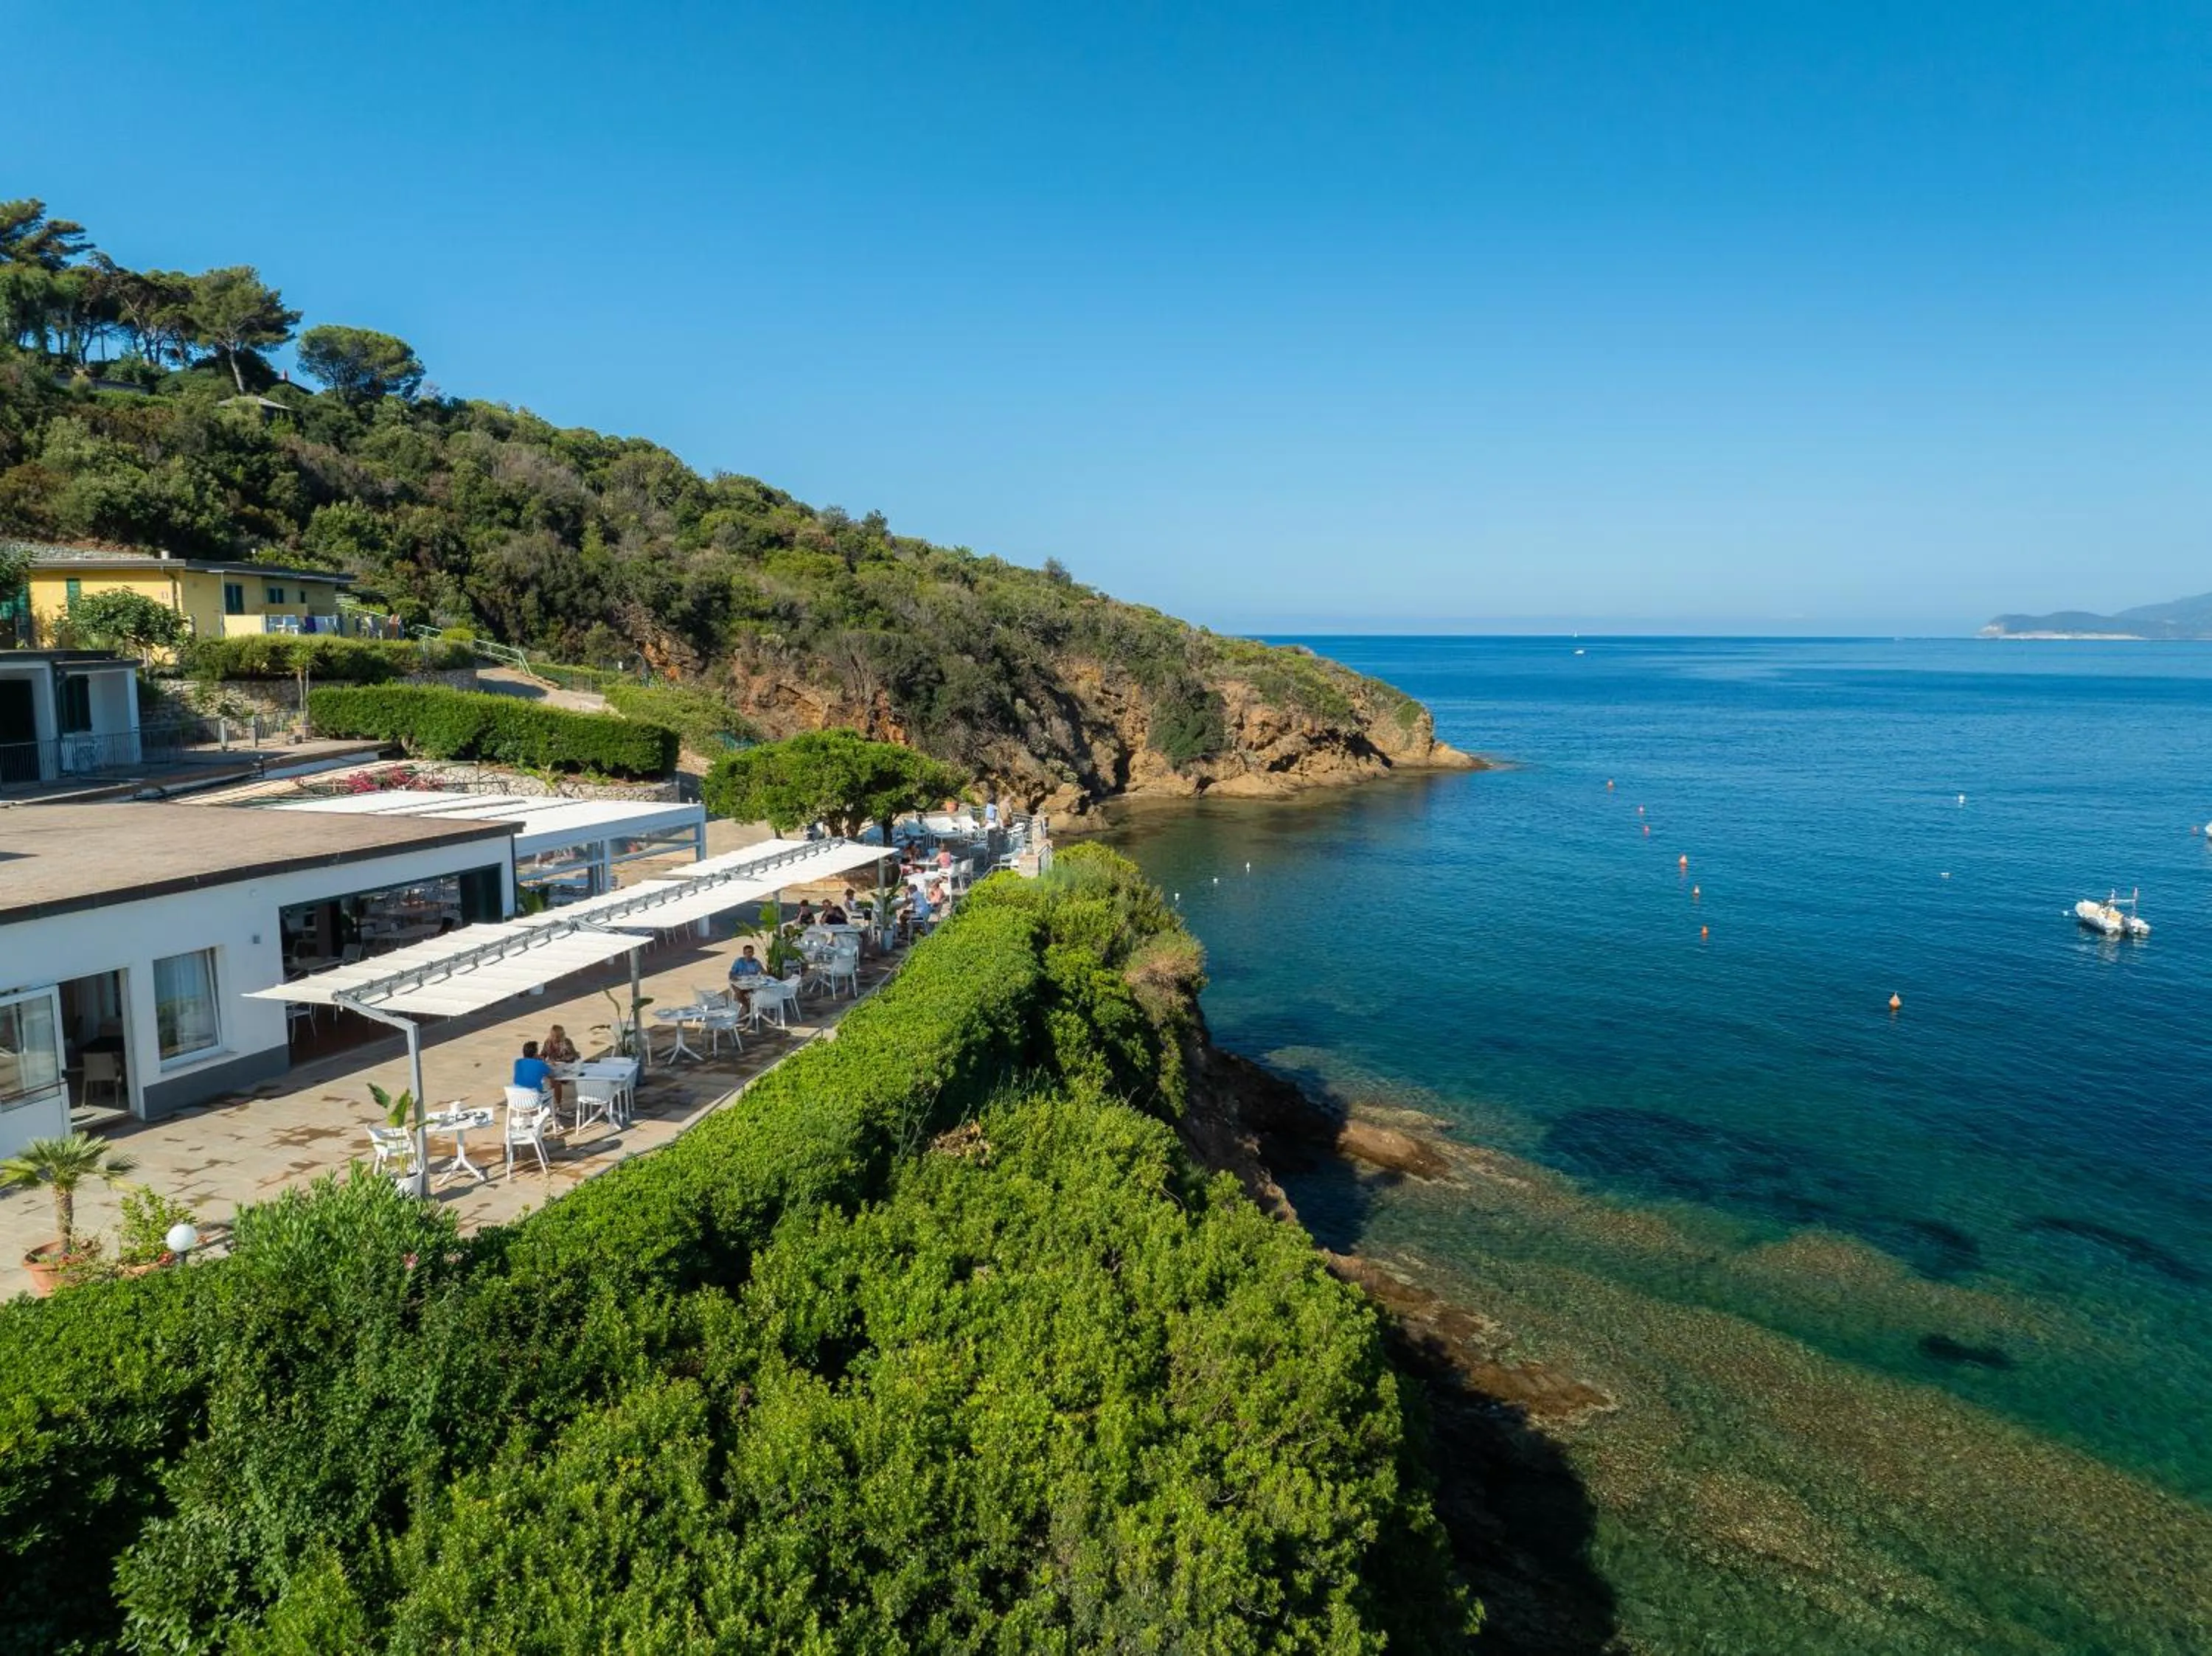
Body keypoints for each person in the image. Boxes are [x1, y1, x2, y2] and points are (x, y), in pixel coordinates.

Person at [512, 1039, 561, 1111]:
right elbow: (552, 1075)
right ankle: (558, 1106)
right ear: (535, 1054)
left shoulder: (517, 1062)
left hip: (517, 1099)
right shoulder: (540, 1064)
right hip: (534, 1099)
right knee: (556, 1083)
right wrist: (542, 1062)